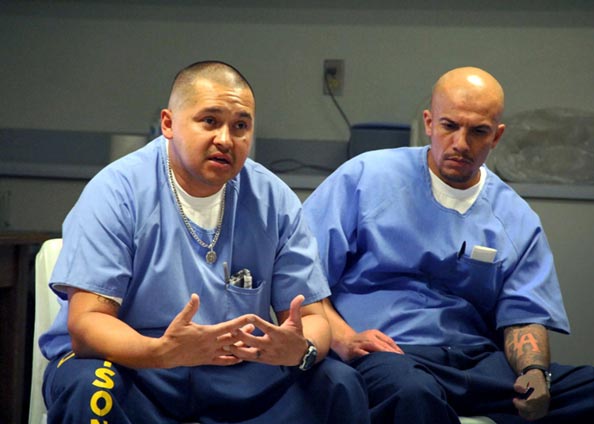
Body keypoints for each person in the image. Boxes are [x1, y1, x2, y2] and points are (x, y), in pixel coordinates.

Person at [39, 61, 370, 424]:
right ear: (168, 123)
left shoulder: (273, 199)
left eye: (240, 126)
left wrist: (300, 349)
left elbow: (312, 318)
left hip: (240, 373)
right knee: (92, 389)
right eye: (209, 121)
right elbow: (87, 326)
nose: (226, 139)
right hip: (135, 363)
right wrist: (162, 352)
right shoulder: (117, 191)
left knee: (339, 383)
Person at [303, 66, 594, 423]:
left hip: (476, 362)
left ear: (497, 136)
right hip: (390, 355)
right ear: (429, 123)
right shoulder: (366, 179)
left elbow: (524, 317)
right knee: (413, 394)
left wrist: (536, 373)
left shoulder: (515, 217)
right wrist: (345, 340)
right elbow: (302, 281)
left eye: (478, 132)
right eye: (449, 126)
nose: (461, 143)